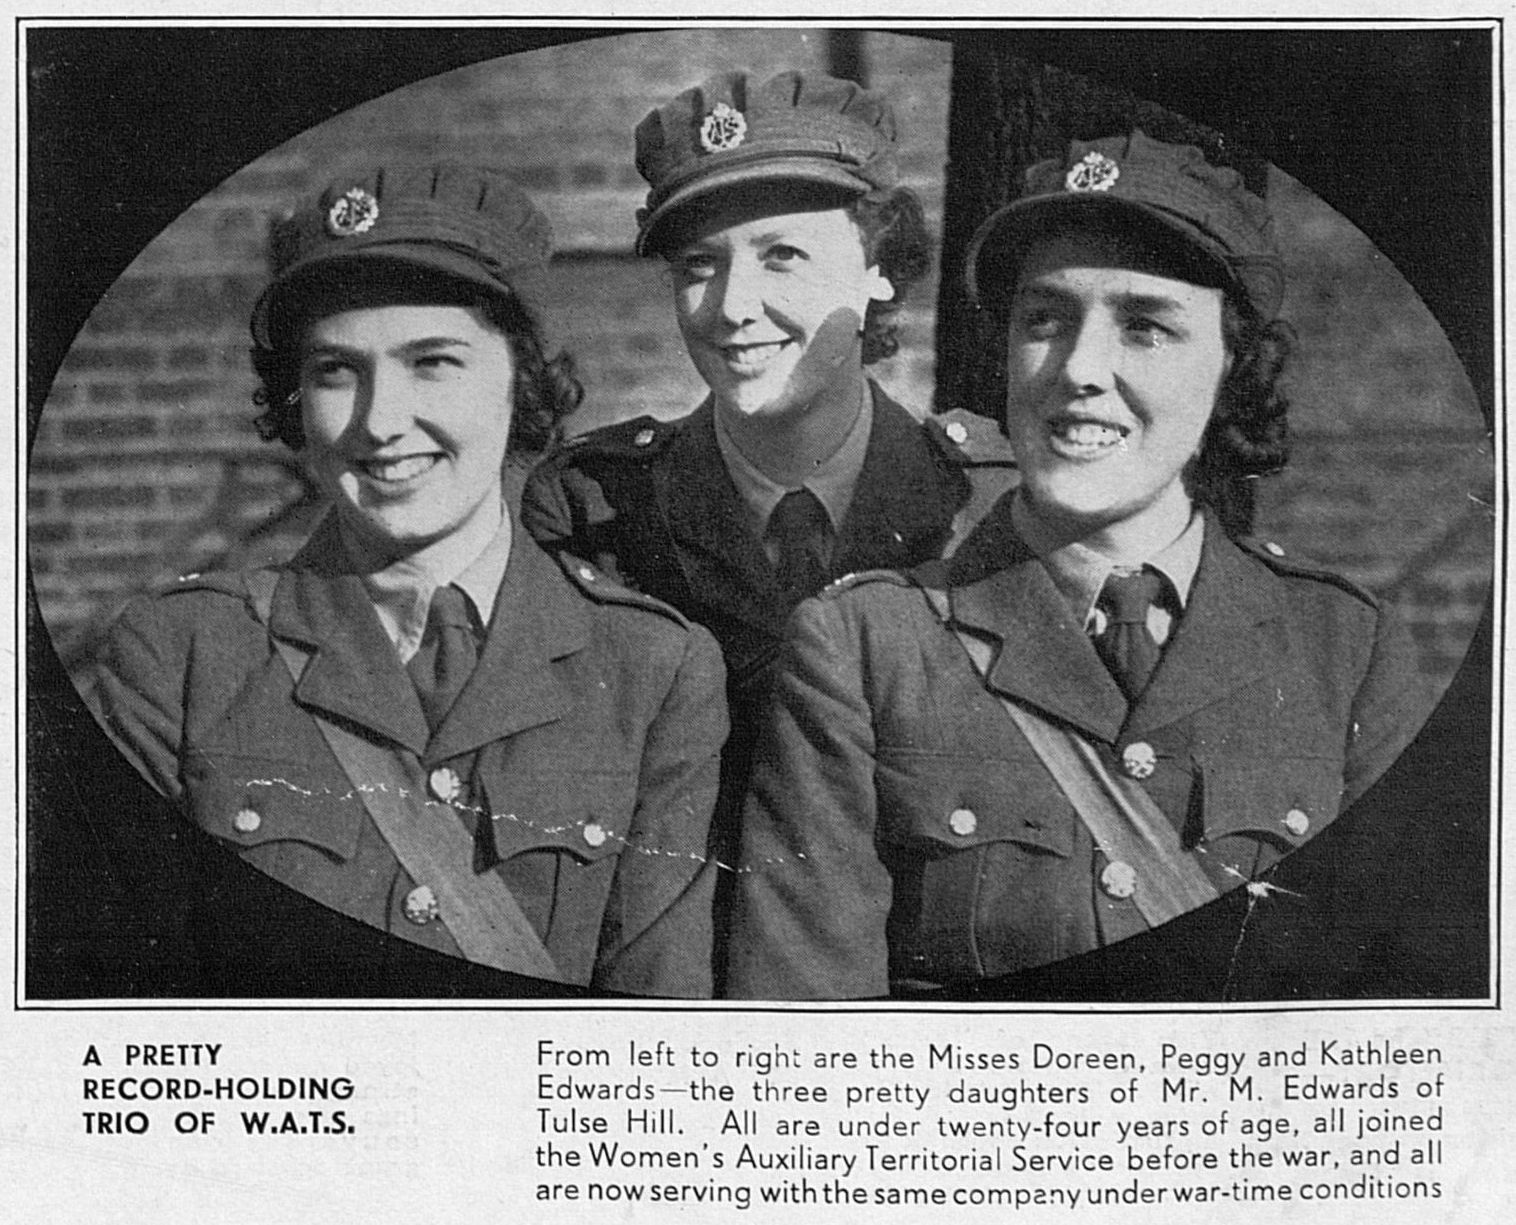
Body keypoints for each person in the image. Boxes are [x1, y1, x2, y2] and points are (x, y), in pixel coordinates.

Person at [727, 131, 1430, 1000]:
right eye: (1046, 319)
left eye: (1145, 326)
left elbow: (1396, 1000)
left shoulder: (1343, 651)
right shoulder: (867, 649)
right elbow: (808, 1036)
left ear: (1231, 368)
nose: (1080, 370)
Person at [89, 163, 727, 997]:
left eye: (433, 362)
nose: (382, 421)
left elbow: (651, 1026)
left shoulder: (652, 669)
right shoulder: (180, 658)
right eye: (335, 372)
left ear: (521, 376)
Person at [521, 71, 1016, 963]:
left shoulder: (983, 503)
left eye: (781, 255)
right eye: (699, 266)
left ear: (875, 269)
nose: (733, 308)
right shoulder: (593, 507)